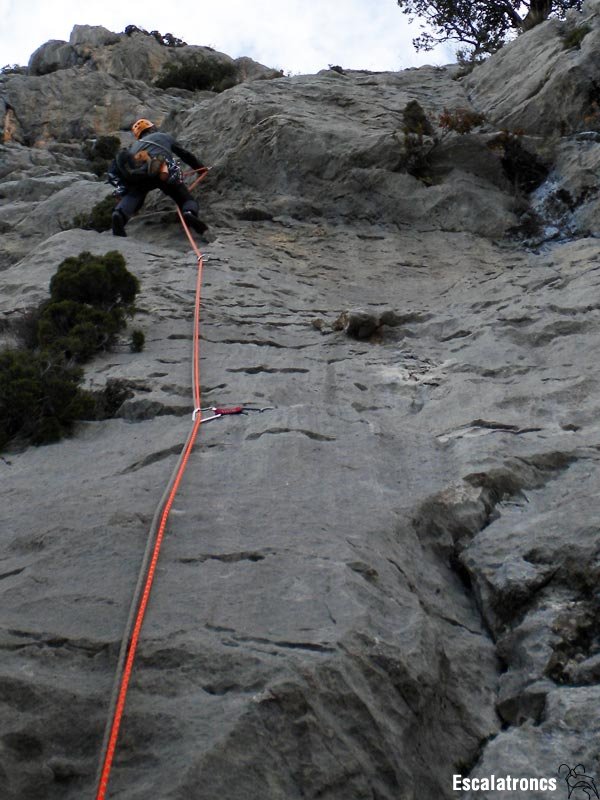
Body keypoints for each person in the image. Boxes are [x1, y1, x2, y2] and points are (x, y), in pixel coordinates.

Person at [108, 118, 208, 238]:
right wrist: (200, 168)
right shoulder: (163, 136)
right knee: (185, 198)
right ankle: (189, 212)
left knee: (134, 194)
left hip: (140, 174)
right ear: (152, 128)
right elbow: (185, 155)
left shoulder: (134, 146)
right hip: (163, 169)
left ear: (138, 135)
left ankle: (119, 214)